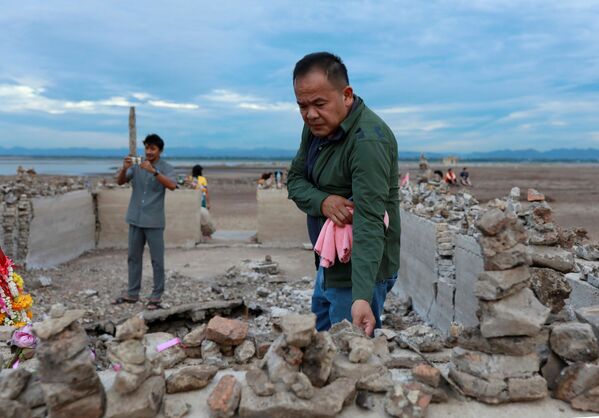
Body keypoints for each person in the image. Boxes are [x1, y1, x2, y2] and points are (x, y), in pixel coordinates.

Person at [287, 52, 400, 336]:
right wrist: (322, 202)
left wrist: (361, 297)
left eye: (319, 104)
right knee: (321, 342)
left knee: (350, 355)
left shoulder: (368, 141)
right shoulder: (315, 128)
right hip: (329, 261)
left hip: (359, 272)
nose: (310, 114)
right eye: (302, 105)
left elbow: (370, 221)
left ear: (346, 95)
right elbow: (295, 181)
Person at [113, 134, 176, 310]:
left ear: (160, 151)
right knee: (133, 257)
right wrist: (124, 168)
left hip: (154, 220)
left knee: (157, 260)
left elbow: (172, 185)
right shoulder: (137, 165)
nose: (149, 152)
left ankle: (156, 296)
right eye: (147, 148)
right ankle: (132, 293)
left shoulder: (166, 167)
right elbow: (120, 182)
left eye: (153, 149)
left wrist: (154, 172)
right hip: (135, 218)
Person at [189, 164, 215, 241]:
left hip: (192, 199)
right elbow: (206, 192)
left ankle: (196, 233)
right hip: (201, 199)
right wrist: (208, 203)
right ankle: (206, 234)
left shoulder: (190, 179)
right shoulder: (203, 179)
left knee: (194, 217)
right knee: (203, 216)